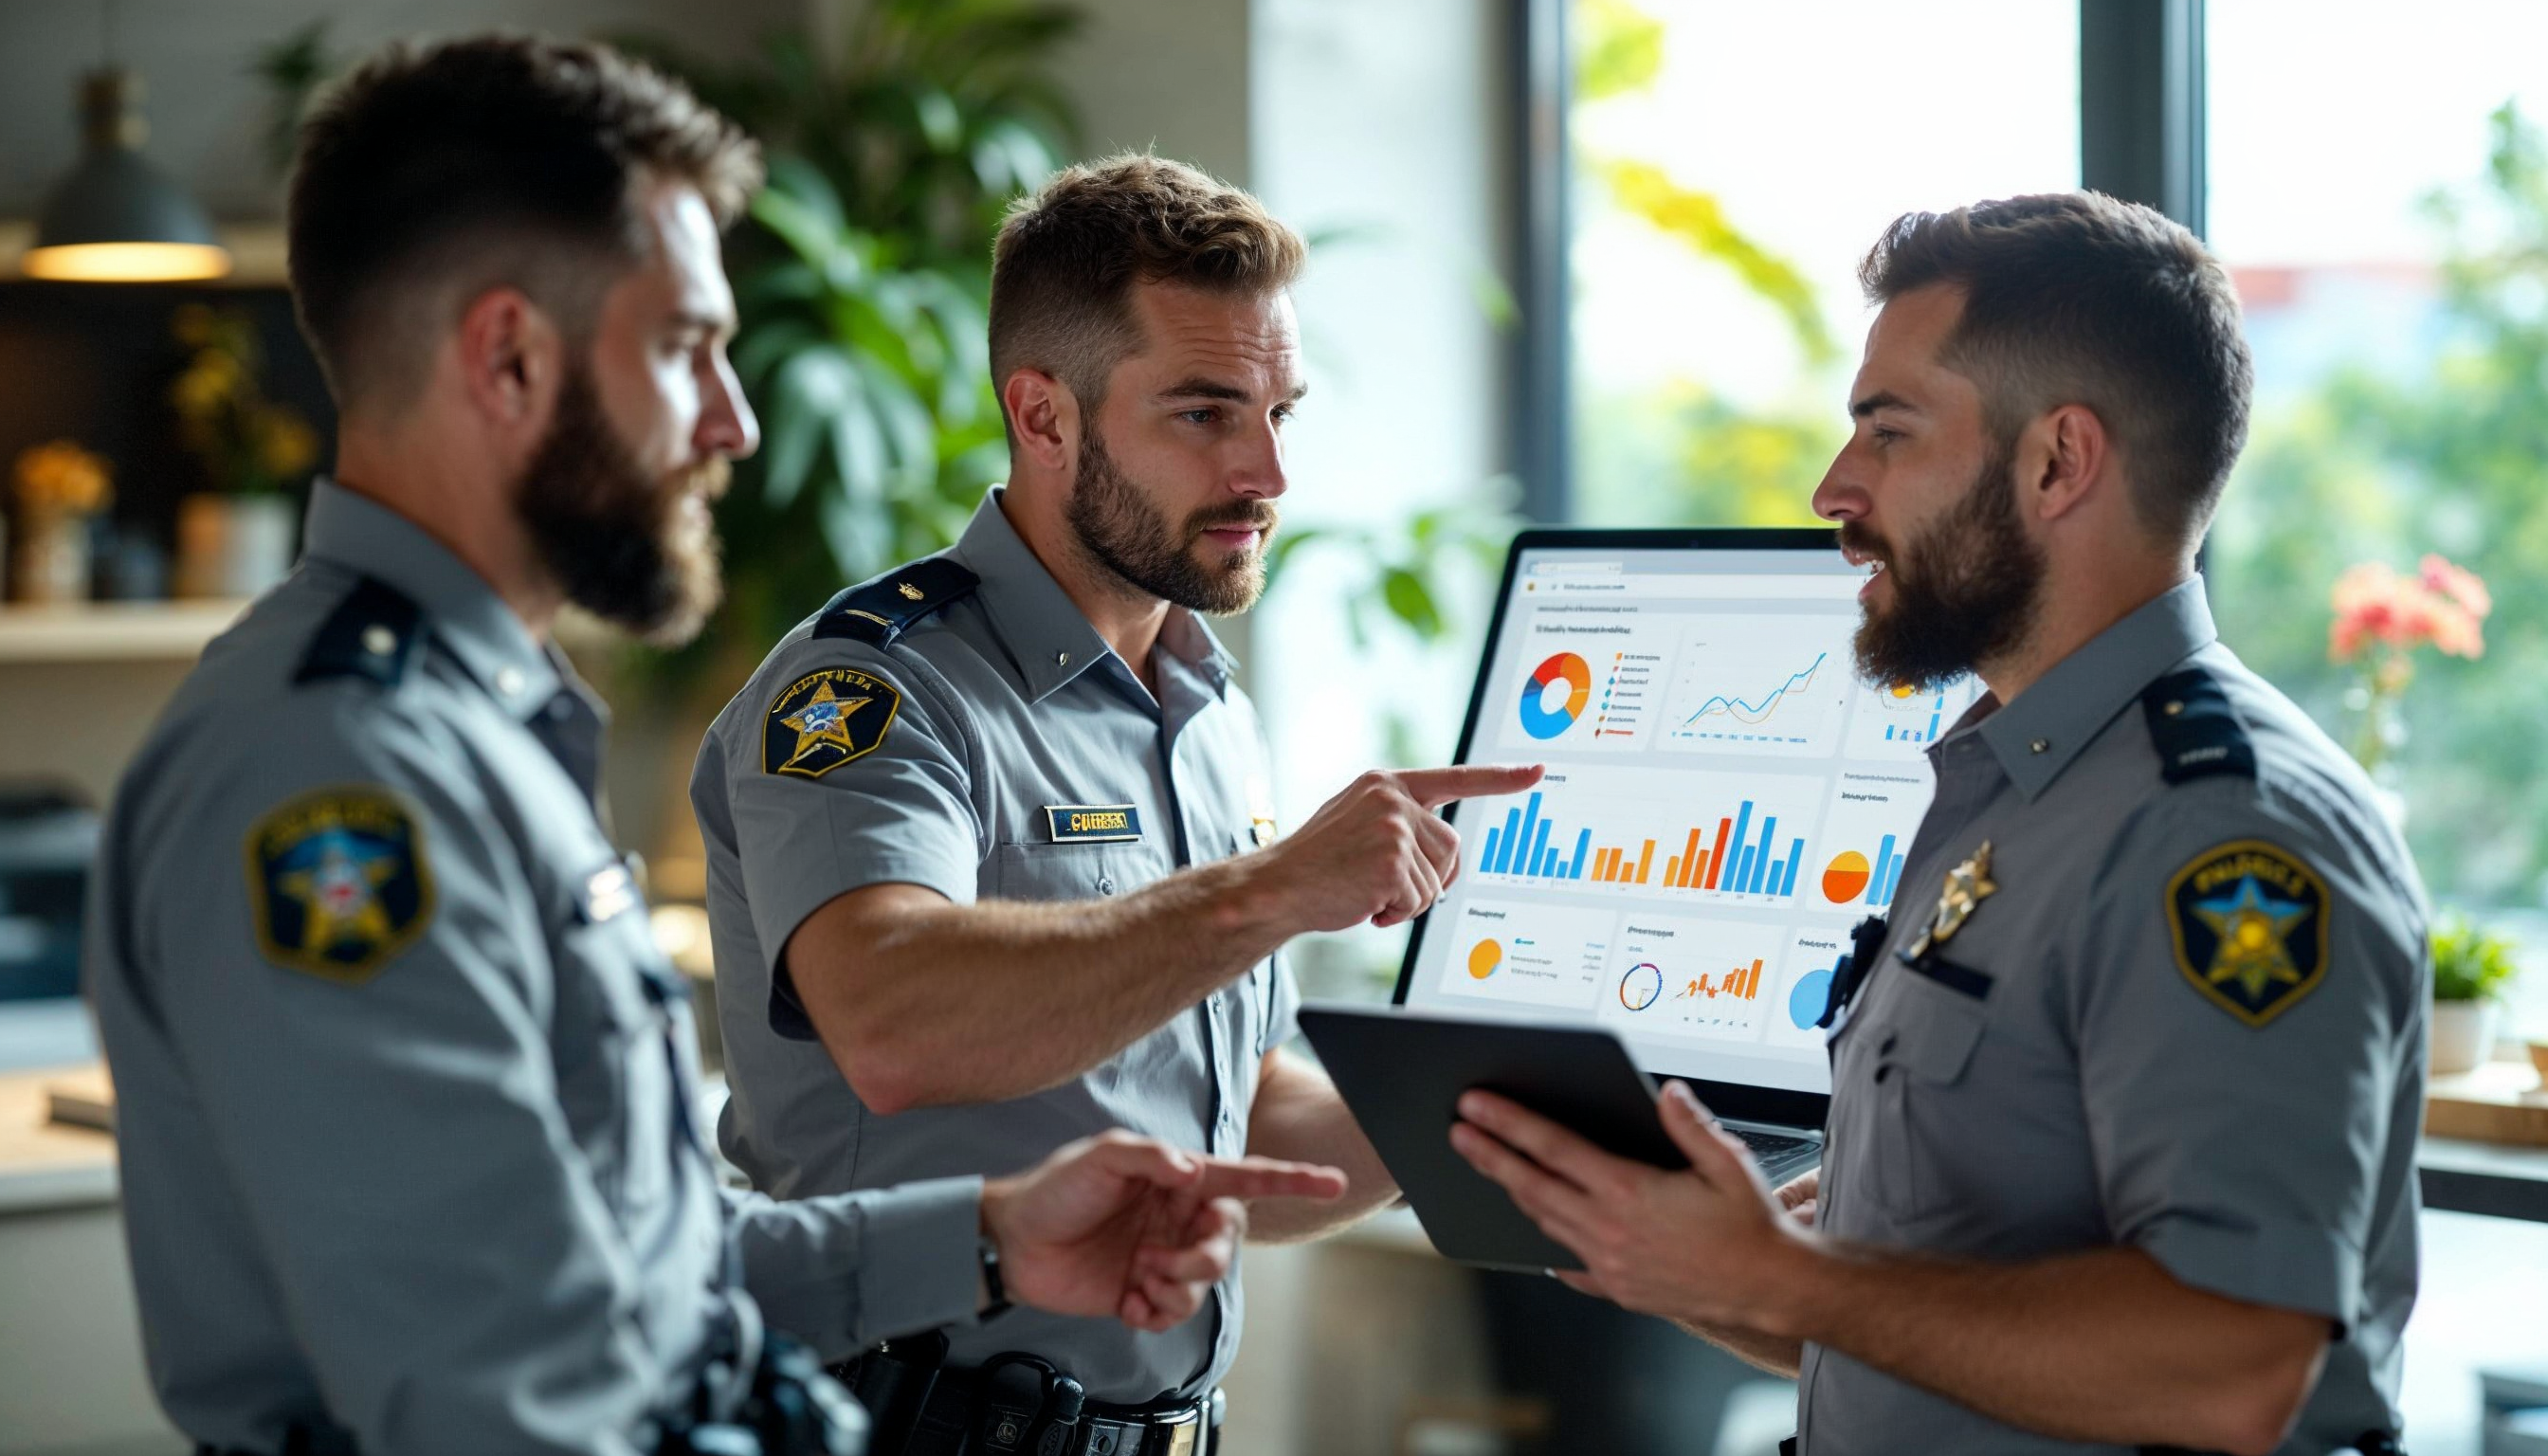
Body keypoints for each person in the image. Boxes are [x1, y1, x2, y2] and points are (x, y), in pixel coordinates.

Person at [83, 38, 1341, 1456]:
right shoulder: (340, 774)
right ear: (508, 358)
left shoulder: (476, 735)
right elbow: (500, 1394)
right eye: (686, 347)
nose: (736, 421)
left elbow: (626, 1267)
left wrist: (986, 1241)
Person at [1451, 192, 2426, 1456]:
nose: (1833, 489)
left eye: (1889, 433)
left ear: (2058, 462)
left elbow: (2237, 1362)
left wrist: (1787, 1279)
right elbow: (1931, 1331)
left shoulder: (2227, 834)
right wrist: (1691, 1262)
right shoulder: (2004, 791)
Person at [690, 154, 1538, 1445]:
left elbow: (1236, 1121)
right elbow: (894, 1019)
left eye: (1280, 412)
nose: (1267, 473)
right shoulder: (873, 686)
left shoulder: (1205, 708)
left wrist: (1501, 1103)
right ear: (1045, 417)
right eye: (1204, 413)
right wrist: (1270, 891)